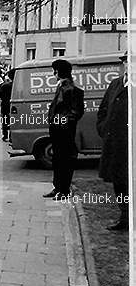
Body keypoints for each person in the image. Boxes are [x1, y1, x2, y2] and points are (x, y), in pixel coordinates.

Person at [43, 59, 84, 200]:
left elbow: (76, 112)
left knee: (64, 160)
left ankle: (64, 190)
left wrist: (62, 123)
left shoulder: (72, 89)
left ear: (59, 72)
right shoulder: (61, 87)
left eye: (55, 70)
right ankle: (58, 187)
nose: (53, 73)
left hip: (64, 131)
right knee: (57, 159)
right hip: (57, 130)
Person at [96, 53, 129, 230]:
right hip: (113, 144)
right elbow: (103, 110)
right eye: (125, 62)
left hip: (129, 146)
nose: (127, 65)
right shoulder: (115, 83)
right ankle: (124, 217)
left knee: (130, 182)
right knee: (119, 183)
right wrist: (103, 127)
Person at [0, 69, 15, 141]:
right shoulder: (17, 86)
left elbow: (1, 96)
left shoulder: (4, 86)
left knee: (5, 121)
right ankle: (12, 136)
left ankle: (5, 136)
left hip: (5, 105)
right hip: (14, 105)